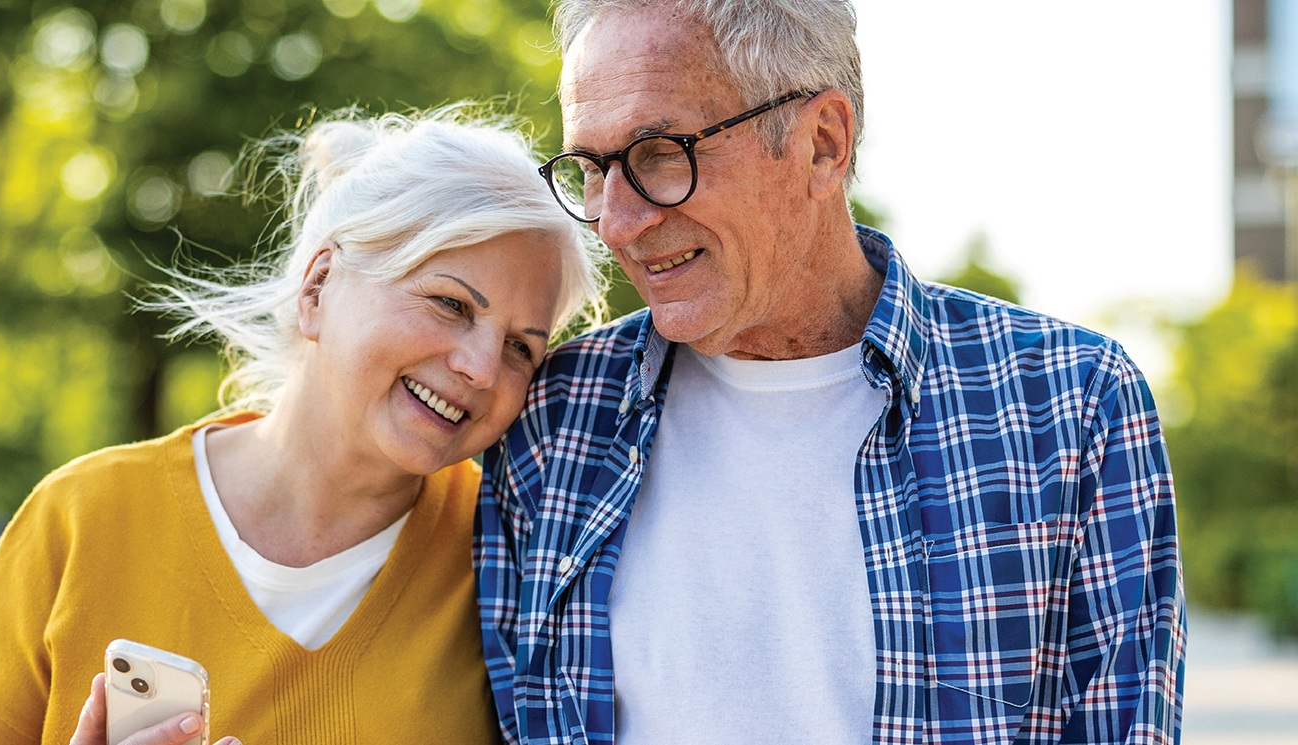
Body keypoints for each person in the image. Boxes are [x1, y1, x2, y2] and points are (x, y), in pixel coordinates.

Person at [474, 1, 1187, 744]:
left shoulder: (1070, 404)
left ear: (823, 142)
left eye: (659, 152)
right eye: (591, 169)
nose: (616, 222)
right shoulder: (548, 419)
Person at [0, 107, 605, 745]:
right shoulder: (81, 520)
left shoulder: (514, 562)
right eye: (451, 304)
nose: (483, 367)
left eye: (522, 346)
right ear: (317, 287)